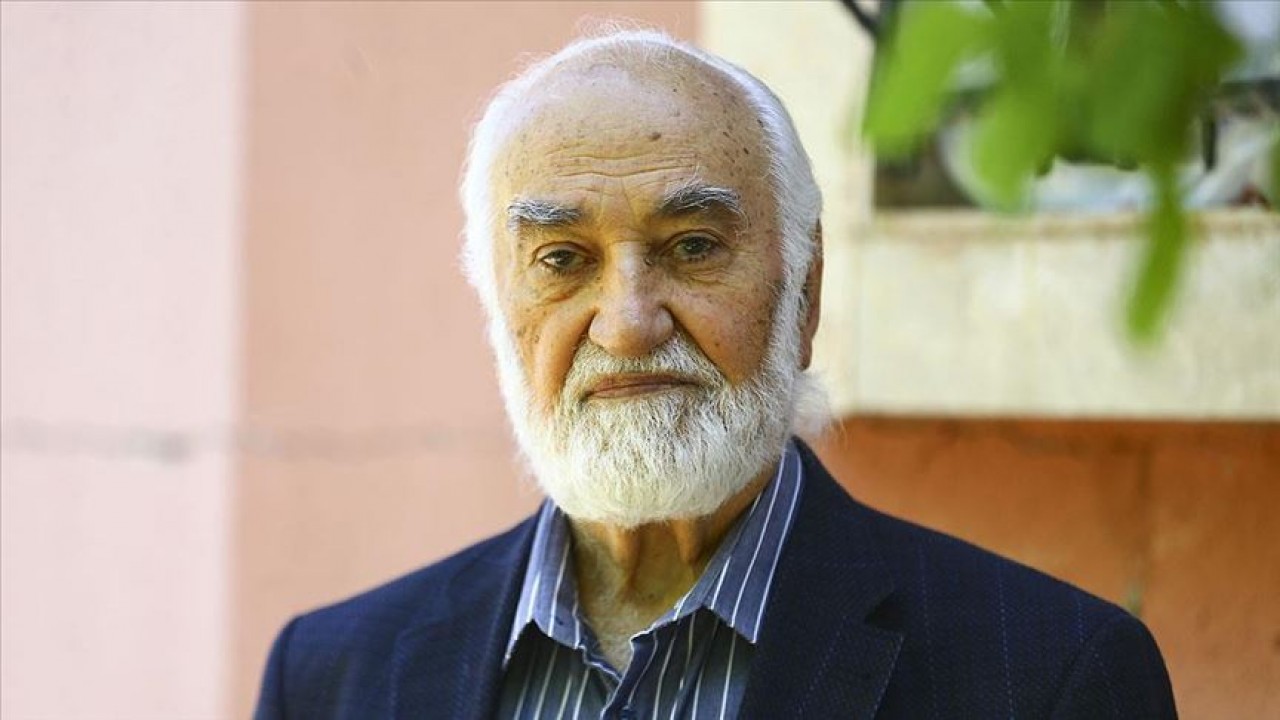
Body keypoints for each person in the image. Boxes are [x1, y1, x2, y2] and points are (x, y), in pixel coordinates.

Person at [254, 29, 1176, 719]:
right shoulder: (331, 678)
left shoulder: (1049, 678)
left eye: (693, 246)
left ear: (803, 298)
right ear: (501, 311)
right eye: (563, 260)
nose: (628, 325)